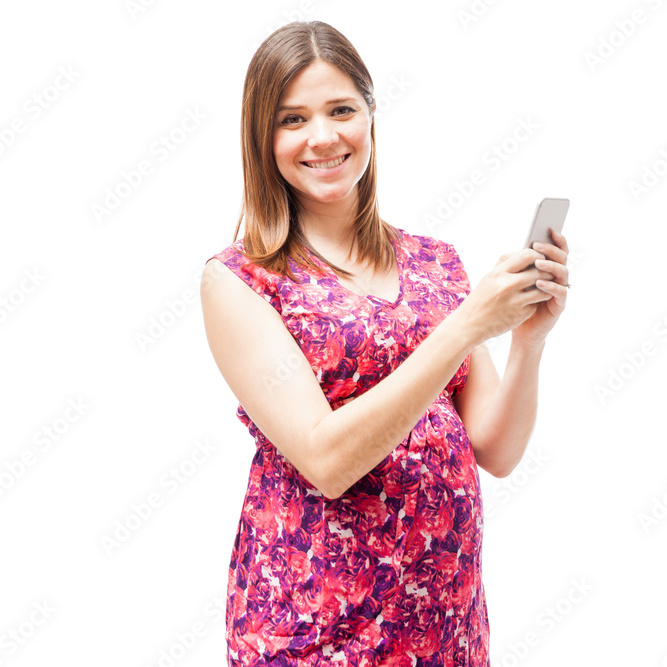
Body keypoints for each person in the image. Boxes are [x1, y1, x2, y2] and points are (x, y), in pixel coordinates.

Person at [200, 20, 570, 667]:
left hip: (443, 628)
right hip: (316, 632)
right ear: (262, 137)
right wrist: (464, 327)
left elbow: (496, 447)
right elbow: (326, 459)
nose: (323, 137)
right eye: (292, 119)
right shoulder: (241, 281)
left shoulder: (434, 263)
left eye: (341, 110)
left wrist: (528, 341)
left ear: (370, 115)